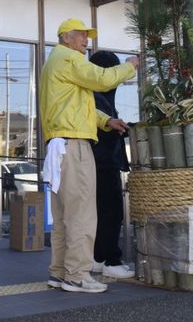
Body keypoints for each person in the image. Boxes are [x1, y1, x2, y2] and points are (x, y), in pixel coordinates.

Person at [40, 19, 136, 293]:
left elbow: (81, 107)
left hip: (59, 145)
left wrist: (106, 121)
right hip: (74, 145)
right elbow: (102, 79)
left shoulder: (54, 62)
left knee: (63, 216)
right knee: (81, 213)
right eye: (82, 35)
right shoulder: (69, 59)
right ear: (66, 37)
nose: (86, 40)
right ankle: (78, 275)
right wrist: (130, 66)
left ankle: (60, 272)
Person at [88, 50, 134, 280]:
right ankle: (112, 261)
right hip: (104, 162)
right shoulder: (99, 96)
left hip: (95, 161)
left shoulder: (93, 95)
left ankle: (98, 258)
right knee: (112, 212)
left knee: (99, 213)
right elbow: (106, 128)